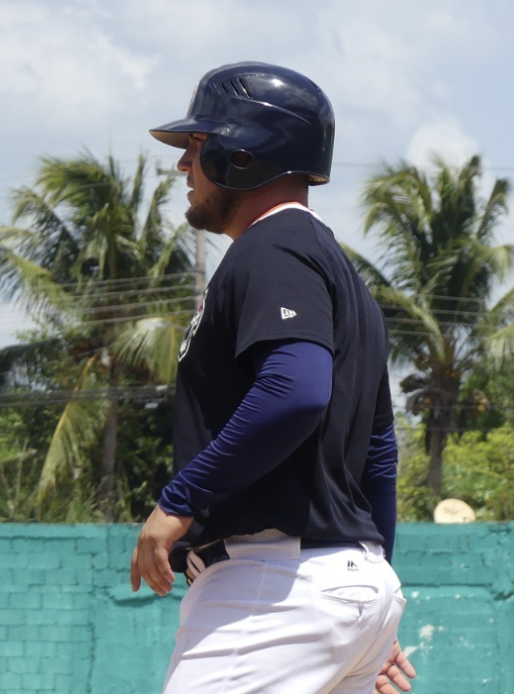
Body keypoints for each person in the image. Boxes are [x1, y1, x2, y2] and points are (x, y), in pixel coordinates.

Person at [130, 62, 417, 694]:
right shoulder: (338, 272)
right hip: (347, 584)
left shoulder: (273, 247)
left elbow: (295, 391)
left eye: (197, 147)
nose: (184, 166)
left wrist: (179, 501)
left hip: (273, 590)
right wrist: (367, 600)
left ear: (242, 153)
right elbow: (378, 455)